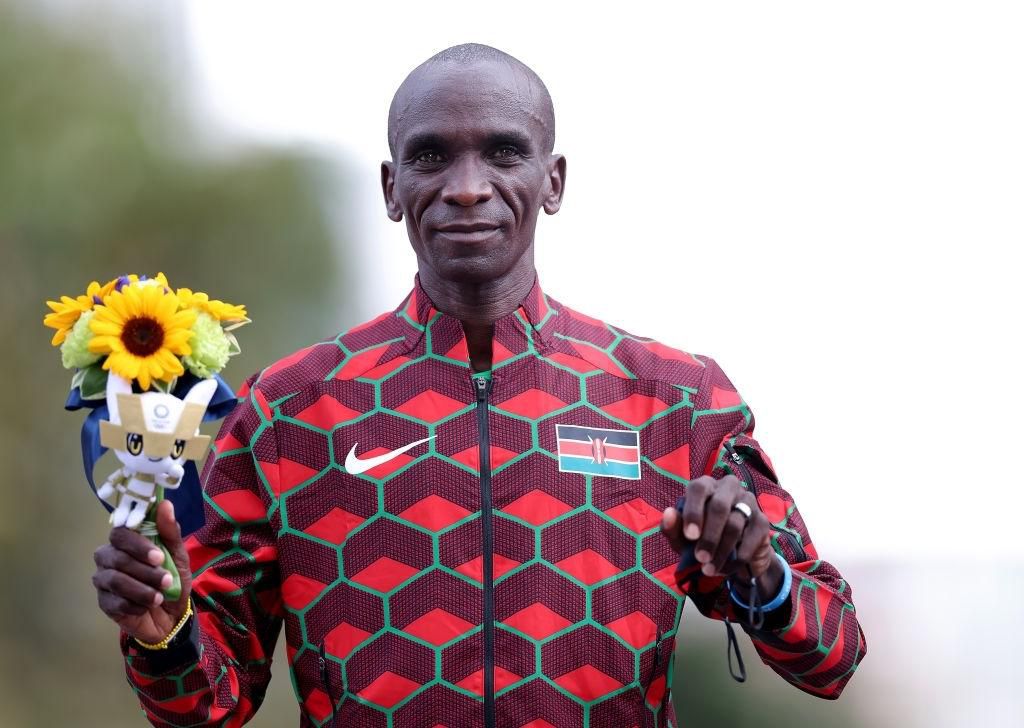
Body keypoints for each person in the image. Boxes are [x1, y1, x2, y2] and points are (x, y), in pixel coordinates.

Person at [92, 43, 866, 727]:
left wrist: (762, 575)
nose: (467, 187)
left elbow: (832, 655)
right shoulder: (288, 411)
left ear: (552, 180)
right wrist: (164, 631)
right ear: (392, 188)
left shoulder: (675, 401)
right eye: (431, 157)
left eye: (503, 153)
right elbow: (206, 706)